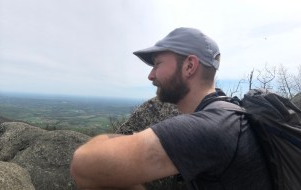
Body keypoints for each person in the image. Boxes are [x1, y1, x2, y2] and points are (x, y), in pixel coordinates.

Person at [69, 27, 272, 189]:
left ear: (189, 66)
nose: (151, 75)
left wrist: (127, 140)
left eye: (157, 64)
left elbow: (84, 162)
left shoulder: (209, 127)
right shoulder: (229, 111)